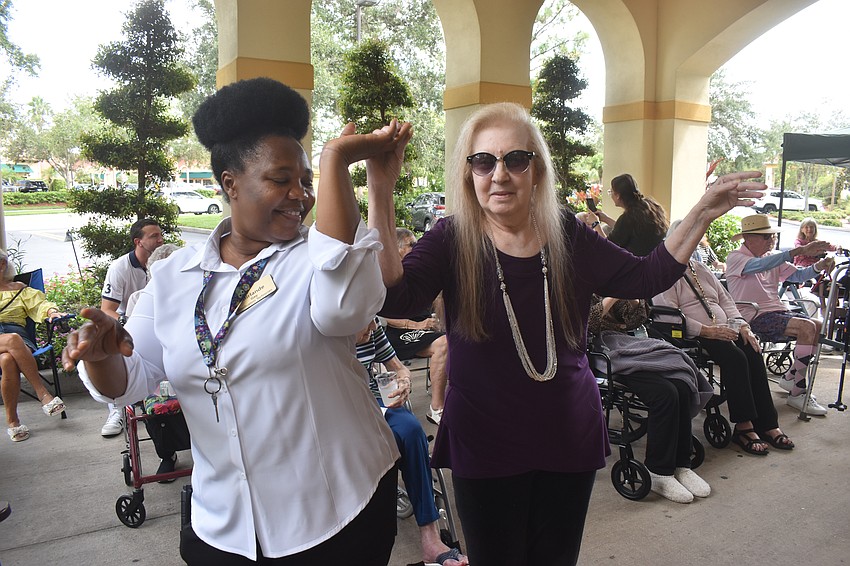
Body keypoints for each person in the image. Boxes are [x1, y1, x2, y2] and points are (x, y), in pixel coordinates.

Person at [367, 100, 766, 564]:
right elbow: (393, 297)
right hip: (486, 439)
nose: (499, 174)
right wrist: (381, 187)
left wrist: (700, 212)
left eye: (516, 159)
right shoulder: (451, 238)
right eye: (483, 161)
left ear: (536, 170)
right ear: (468, 172)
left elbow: (646, 277)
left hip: (566, 432)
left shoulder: (568, 235)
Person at [63, 77, 411, 564]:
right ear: (229, 184)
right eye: (280, 178)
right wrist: (100, 356)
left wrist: (336, 157)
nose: (300, 195)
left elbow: (344, 310)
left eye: (306, 181)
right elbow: (131, 379)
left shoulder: (318, 256)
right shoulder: (171, 277)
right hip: (223, 524)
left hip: (338, 512)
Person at [653, 220, 795, 453]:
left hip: (724, 327)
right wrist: (707, 330)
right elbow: (666, 317)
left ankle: (768, 424)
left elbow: (727, 303)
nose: (692, 246)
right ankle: (743, 426)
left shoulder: (702, 270)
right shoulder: (665, 274)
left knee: (753, 350)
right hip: (693, 334)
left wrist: (743, 326)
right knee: (735, 357)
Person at [355, 318, 468, 566]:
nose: (375, 327)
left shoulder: (370, 326)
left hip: (378, 402)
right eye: (367, 321)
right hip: (344, 409)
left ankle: (431, 538)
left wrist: (404, 381)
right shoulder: (322, 339)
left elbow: (397, 367)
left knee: (412, 431)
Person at [588, 295, 713, 503]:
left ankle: (682, 464)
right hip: (599, 352)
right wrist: (612, 297)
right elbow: (585, 324)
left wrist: (633, 299)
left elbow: (636, 321)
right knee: (665, 394)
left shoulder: (605, 279)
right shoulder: (573, 279)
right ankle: (658, 471)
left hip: (626, 345)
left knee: (681, 385)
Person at [726, 214, 835, 416]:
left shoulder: (771, 257)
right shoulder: (736, 257)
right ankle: (797, 390)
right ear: (748, 239)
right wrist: (799, 251)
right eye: (766, 236)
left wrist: (820, 266)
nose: (772, 240)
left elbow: (798, 275)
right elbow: (758, 266)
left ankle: (792, 374)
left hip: (776, 311)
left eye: (772, 236)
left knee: (818, 325)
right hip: (751, 316)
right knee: (807, 327)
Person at [99, 218, 164, 437]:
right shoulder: (120, 267)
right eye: (154, 236)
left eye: (160, 235)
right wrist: (129, 322)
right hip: (131, 323)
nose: (160, 239)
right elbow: (107, 309)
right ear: (138, 241)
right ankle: (116, 411)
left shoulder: (166, 263)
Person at [125, 242, 185, 481]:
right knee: (157, 398)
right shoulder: (140, 299)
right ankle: (167, 455)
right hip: (157, 368)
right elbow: (138, 345)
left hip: (187, 366)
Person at [0, 249, 67, 442]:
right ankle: (43, 394)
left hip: (19, 340)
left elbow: (40, 306)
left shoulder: (20, 289)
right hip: (13, 340)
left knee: (7, 360)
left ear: (2, 265)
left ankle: (13, 422)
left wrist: (52, 312)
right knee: (12, 340)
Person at [383, 228, 449, 425]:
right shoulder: (389, 273)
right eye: (411, 244)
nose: (417, 247)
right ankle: (436, 408)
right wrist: (417, 325)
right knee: (443, 344)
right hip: (399, 334)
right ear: (397, 249)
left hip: (425, 329)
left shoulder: (421, 268)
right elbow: (384, 314)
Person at [595, 173, 669, 256]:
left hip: (638, 264)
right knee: (607, 228)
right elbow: (626, 231)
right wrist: (606, 219)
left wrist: (595, 224)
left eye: (611, 191)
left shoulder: (629, 217)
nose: (610, 195)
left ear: (618, 195)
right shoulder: (651, 207)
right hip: (656, 259)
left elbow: (608, 247)